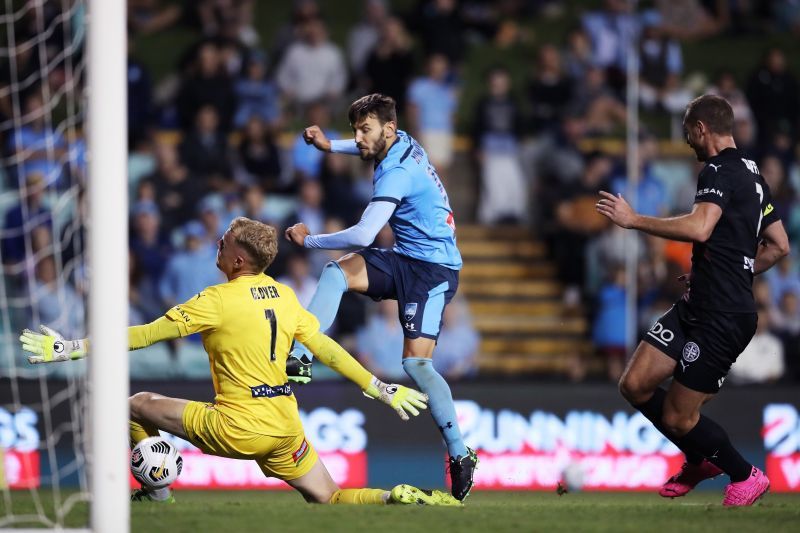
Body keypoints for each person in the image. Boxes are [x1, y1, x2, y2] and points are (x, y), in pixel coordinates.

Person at [20, 217, 458, 507]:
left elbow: (144, 335)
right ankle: (393, 497)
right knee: (331, 498)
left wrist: (69, 348)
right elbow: (326, 348)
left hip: (237, 426)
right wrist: (379, 387)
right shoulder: (285, 296)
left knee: (135, 403)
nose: (218, 243)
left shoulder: (215, 300)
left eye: (224, 240)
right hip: (285, 426)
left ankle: (156, 492)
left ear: (237, 259)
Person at [595, 94, 791, 506]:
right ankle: (700, 459)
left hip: (724, 314)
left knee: (679, 417)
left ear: (701, 128)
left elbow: (701, 227)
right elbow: (778, 245)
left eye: (688, 132)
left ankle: (745, 474)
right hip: (698, 302)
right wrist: (733, 267)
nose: (687, 142)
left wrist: (635, 221)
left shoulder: (717, 168)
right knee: (634, 384)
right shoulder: (754, 175)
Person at [284, 94, 477, 501]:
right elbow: (363, 144)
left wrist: (309, 239)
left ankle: (459, 455)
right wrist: (328, 145)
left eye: (364, 129)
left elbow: (363, 235)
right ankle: (302, 356)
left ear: (387, 129)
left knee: (417, 364)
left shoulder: (396, 173)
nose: (358, 137)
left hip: (433, 271)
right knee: (337, 275)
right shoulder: (398, 137)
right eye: (355, 129)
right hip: (405, 256)